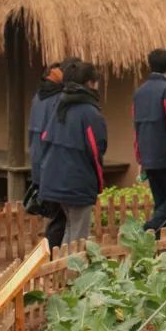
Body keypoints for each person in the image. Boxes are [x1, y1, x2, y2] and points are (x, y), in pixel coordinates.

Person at [39, 61, 108, 244]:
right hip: (78, 181)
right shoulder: (90, 113)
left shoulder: (59, 107)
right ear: (90, 83)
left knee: (70, 229)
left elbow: (44, 140)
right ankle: (73, 272)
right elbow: (96, 151)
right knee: (78, 236)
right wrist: (99, 183)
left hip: (55, 179)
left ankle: (64, 270)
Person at [133, 49, 166, 236]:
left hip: (148, 158)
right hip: (165, 157)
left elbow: (137, 127)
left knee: (162, 202)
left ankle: (163, 247)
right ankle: (150, 230)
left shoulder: (139, 93)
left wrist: (140, 159)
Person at [26, 61, 72, 250]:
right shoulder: (58, 98)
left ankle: (51, 253)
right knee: (60, 218)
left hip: (39, 161)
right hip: (52, 163)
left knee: (56, 215)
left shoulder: (39, 97)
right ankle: (53, 256)